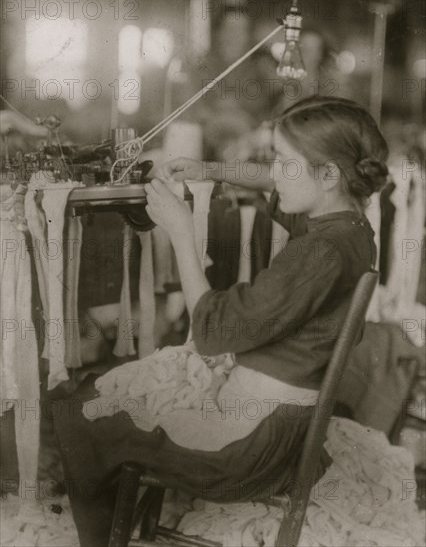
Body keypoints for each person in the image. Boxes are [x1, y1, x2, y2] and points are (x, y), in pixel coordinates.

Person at [52, 97, 388, 546]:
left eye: (285, 161)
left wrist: (180, 232)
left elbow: (211, 331)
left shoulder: (318, 252)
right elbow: (277, 180)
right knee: (108, 393)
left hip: (246, 449)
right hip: (284, 424)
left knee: (82, 414)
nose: (274, 170)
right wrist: (210, 170)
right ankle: (122, 512)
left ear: (327, 174)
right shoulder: (348, 227)